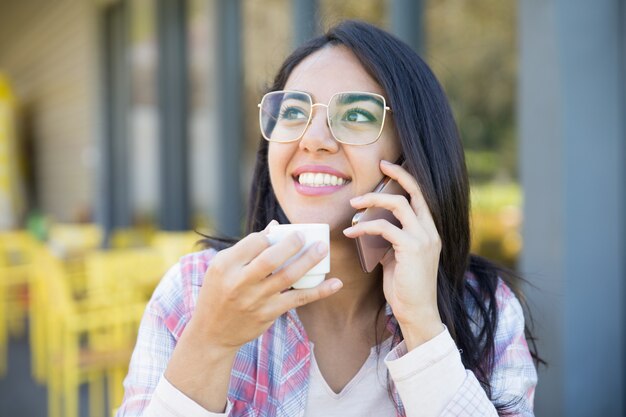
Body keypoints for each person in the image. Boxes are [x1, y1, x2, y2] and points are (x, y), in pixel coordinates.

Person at [117, 20, 539, 417]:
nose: (313, 140)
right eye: (294, 113)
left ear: (411, 148)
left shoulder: (483, 308)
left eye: (356, 115)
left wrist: (423, 328)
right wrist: (209, 342)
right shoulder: (194, 292)